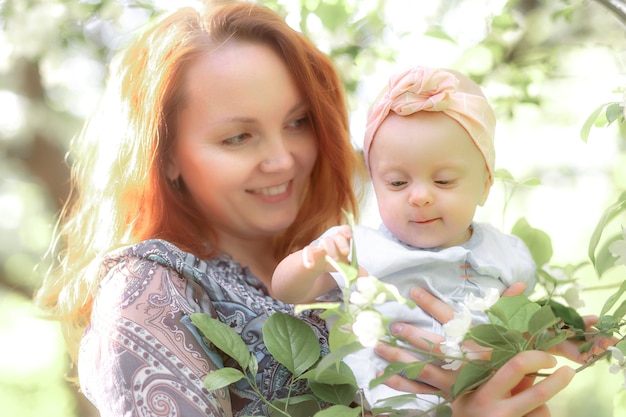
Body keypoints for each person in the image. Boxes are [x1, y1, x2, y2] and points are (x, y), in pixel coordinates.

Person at [34, 2, 575, 417]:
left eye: (298, 123)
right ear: (167, 157)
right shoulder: (149, 292)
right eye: (238, 137)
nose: (282, 159)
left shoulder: (359, 263)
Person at [271, 66, 537, 413]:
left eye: (443, 181)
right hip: (381, 401)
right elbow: (286, 291)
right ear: (376, 184)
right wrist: (311, 261)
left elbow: (527, 327)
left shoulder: (506, 254)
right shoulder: (357, 247)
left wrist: (568, 332)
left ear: (485, 184)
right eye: (397, 183)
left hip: (478, 397)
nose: (420, 196)